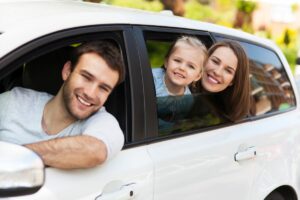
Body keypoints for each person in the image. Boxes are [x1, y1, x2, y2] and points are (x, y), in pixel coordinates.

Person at [0, 40, 125, 169]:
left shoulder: (104, 122)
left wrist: (15, 158)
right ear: (67, 71)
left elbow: (96, 150)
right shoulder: (14, 101)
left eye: (103, 88)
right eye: (86, 77)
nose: (91, 93)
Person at [151, 36, 207, 132]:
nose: (182, 68)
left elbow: (176, 123)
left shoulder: (188, 99)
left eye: (191, 66)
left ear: (197, 76)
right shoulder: (151, 79)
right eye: (177, 60)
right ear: (166, 62)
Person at [194, 40, 250, 122]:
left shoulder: (225, 119)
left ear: (233, 81)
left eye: (228, 70)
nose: (217, 72)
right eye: (215, 61)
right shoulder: (179, 85)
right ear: (205, 60)